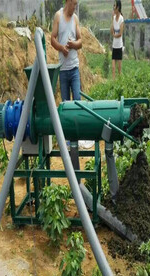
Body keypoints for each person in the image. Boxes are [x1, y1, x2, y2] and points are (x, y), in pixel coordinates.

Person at [51, 0, 82, 172]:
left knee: (76, 102)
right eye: (74, 3)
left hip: (74, 68)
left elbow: (81, 41)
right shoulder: (58, 16)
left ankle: (76, 136)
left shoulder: (75, 18)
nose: (75, 6)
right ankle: (68, 140)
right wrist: (62, 48)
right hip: (62, 70)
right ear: (68, 1)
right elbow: (52, 39)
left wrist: (73, 45)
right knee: (65, 104)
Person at [111, 0, 124, 79]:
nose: (113, 7)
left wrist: (114, 35)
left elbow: (120, 34)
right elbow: (111, 30)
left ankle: (119, 82)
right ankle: (113, 82)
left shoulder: (121, 19)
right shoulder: (114, 18)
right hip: (114, 45)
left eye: (114, 6)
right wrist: (112, 19)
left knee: (119, 68)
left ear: (118, 7)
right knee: (113, 68)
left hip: (119, 45)